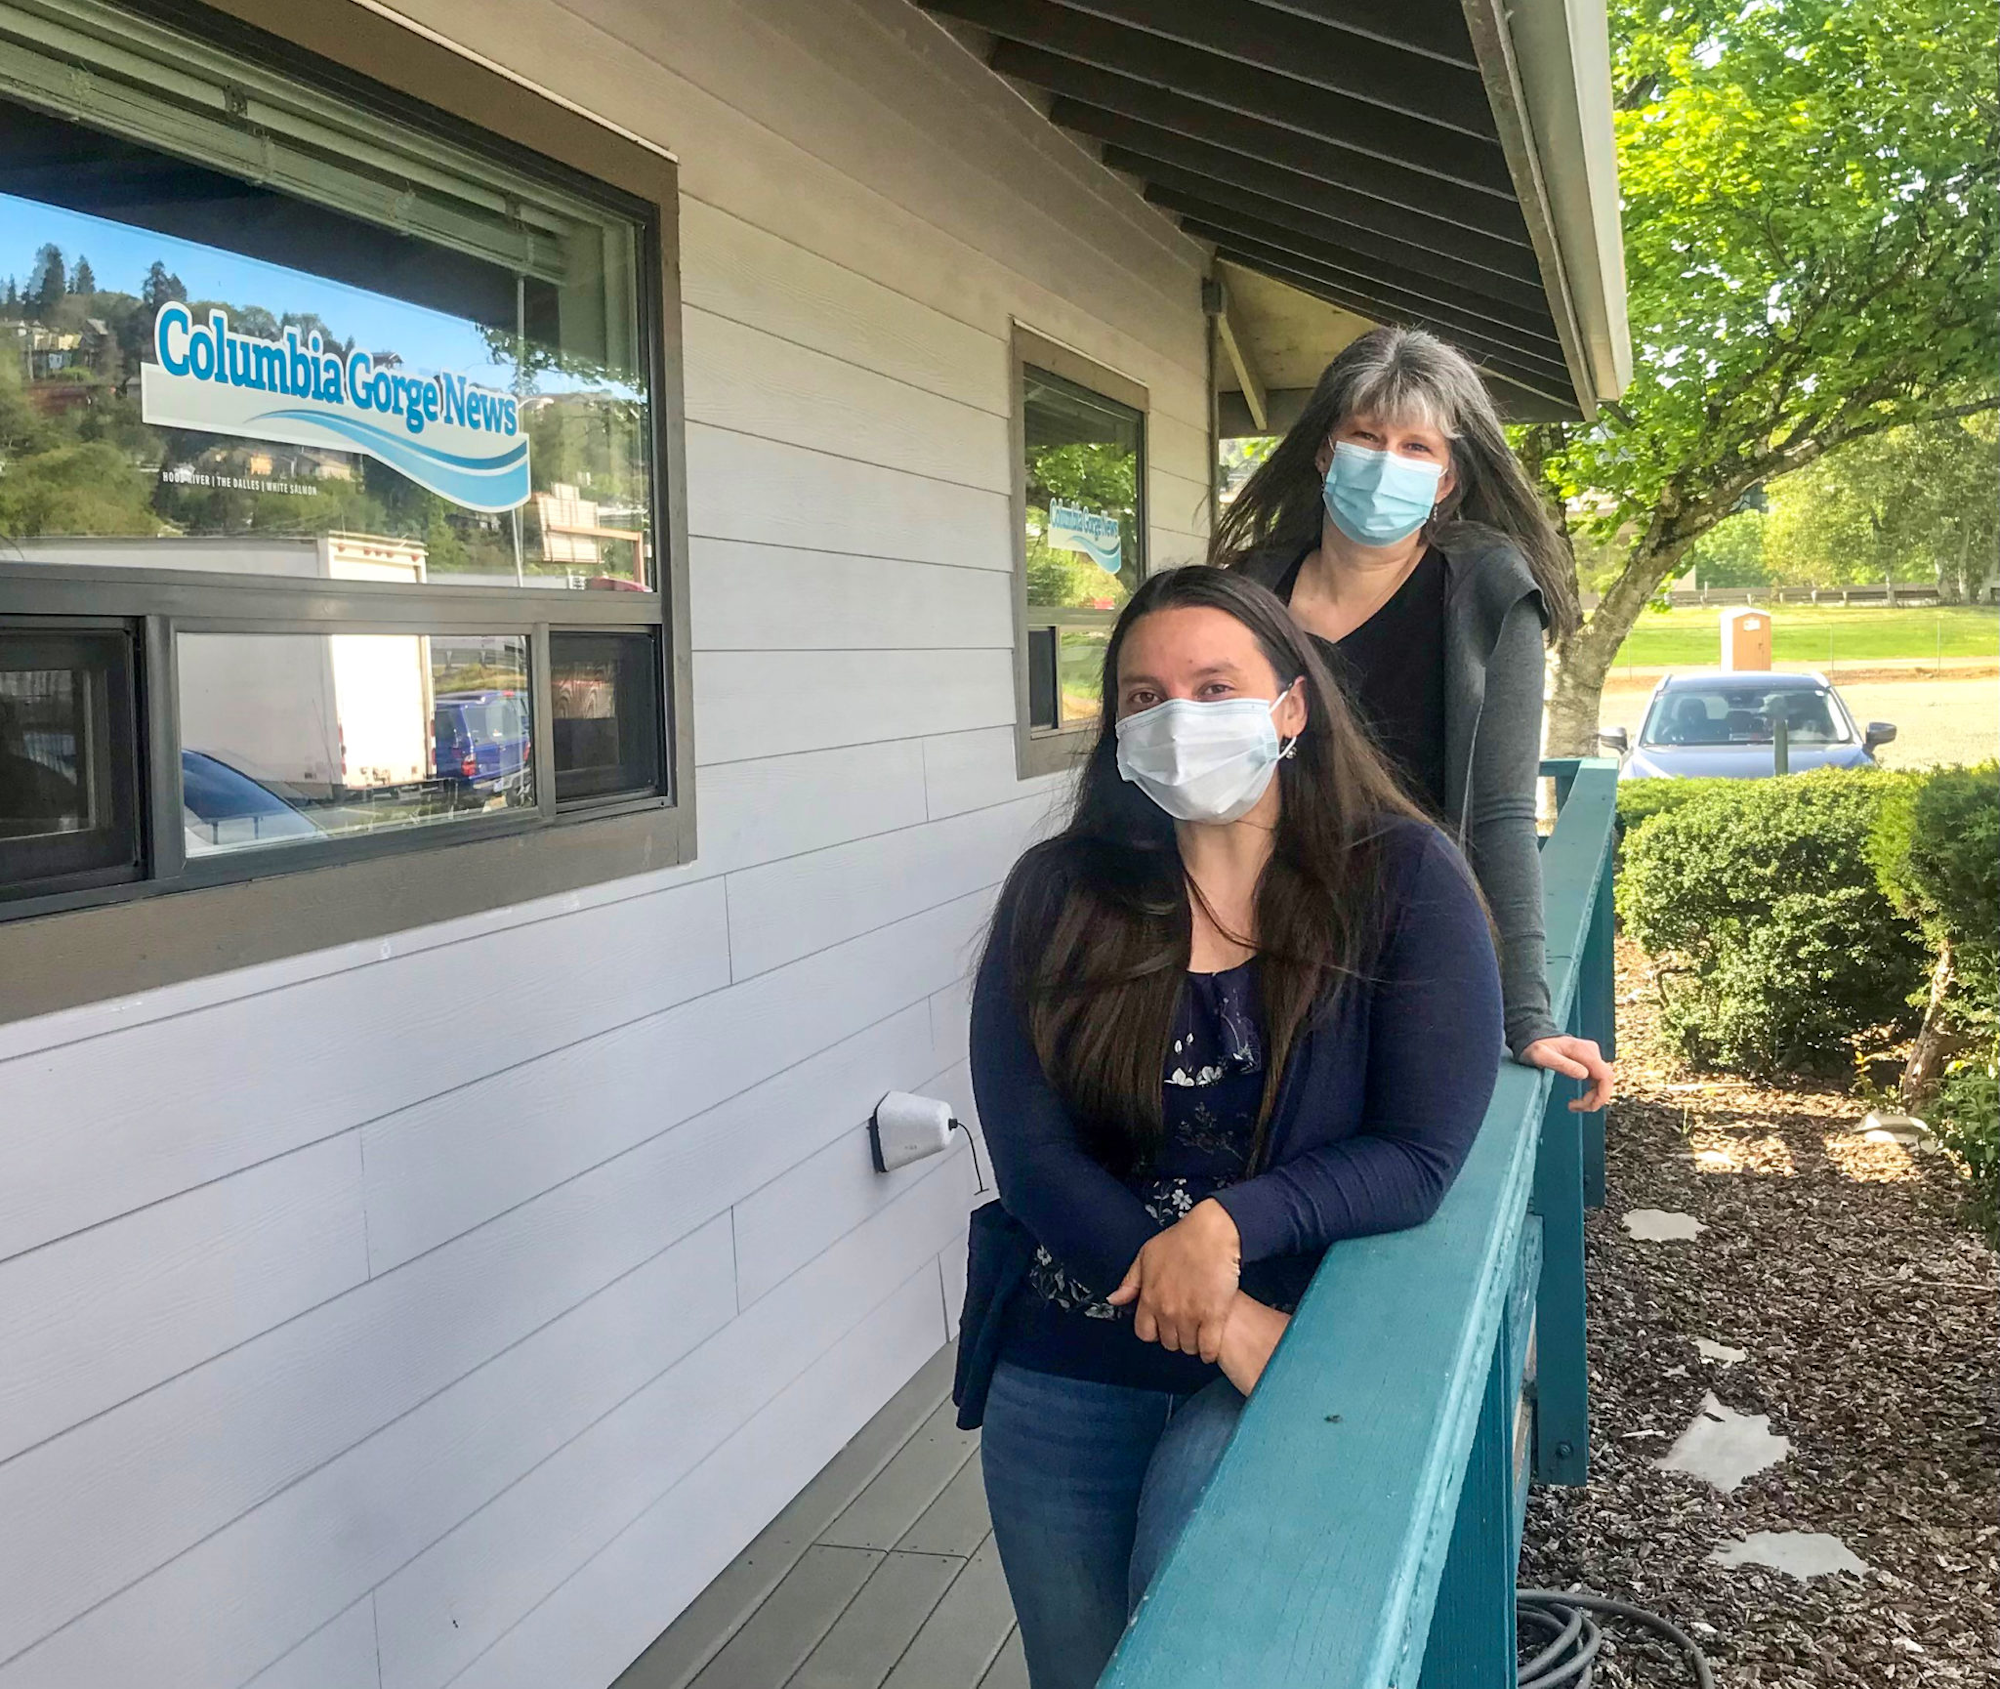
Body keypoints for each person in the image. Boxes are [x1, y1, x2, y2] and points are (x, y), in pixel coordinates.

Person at [955, 566, 1504, 1689]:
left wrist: (1226, 1230)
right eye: (1145, 697)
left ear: (1289, 708)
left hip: (1281, 1357)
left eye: (1215, 685)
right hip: (1067, 1364)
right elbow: (1030, 1156)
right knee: (1077, 1672)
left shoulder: (1399, 878)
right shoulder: (1057, 893)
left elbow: (1418, 1152)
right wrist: (1215, 1317)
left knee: (1210, 1662)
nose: (1178, 718)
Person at [1211, 326, 1613, 1110]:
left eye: (1416, 446)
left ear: (1448, 479)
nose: (1386, 460)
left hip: (1412, 949)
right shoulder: (1250, 589)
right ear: (1326, 452)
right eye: (1366, 435)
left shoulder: (1486, 591)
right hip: (1254, 947)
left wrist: (1526, 1012)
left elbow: (1498, 811)